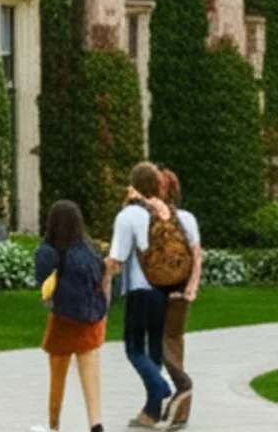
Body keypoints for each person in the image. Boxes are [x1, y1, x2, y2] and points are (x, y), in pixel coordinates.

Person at [106, 162, 178, 428]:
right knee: (154, 351)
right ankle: (151, 413)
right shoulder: (164, 213)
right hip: (163, 289)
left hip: (140, 289)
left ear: (133, 185)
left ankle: (165, 387)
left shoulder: (129, 216)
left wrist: (101, 271)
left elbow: (118, 258)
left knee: (135, 349)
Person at [33, 200, 108, 432]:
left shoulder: (50, 251)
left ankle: (53, 424)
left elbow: (41, 278)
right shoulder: (90, 249)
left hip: (63, 321)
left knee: (58, 375)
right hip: (91, 321)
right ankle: (96, 423)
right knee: (90, 376)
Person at [158, 169, 204, 429]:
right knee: (171, 344)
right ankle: (177, 409)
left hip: (163, 291)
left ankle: (179, 395)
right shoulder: (187, 219)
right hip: (178, 290)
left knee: (166, 346)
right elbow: (196, 256)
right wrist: (190, 290)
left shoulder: (155, 219)